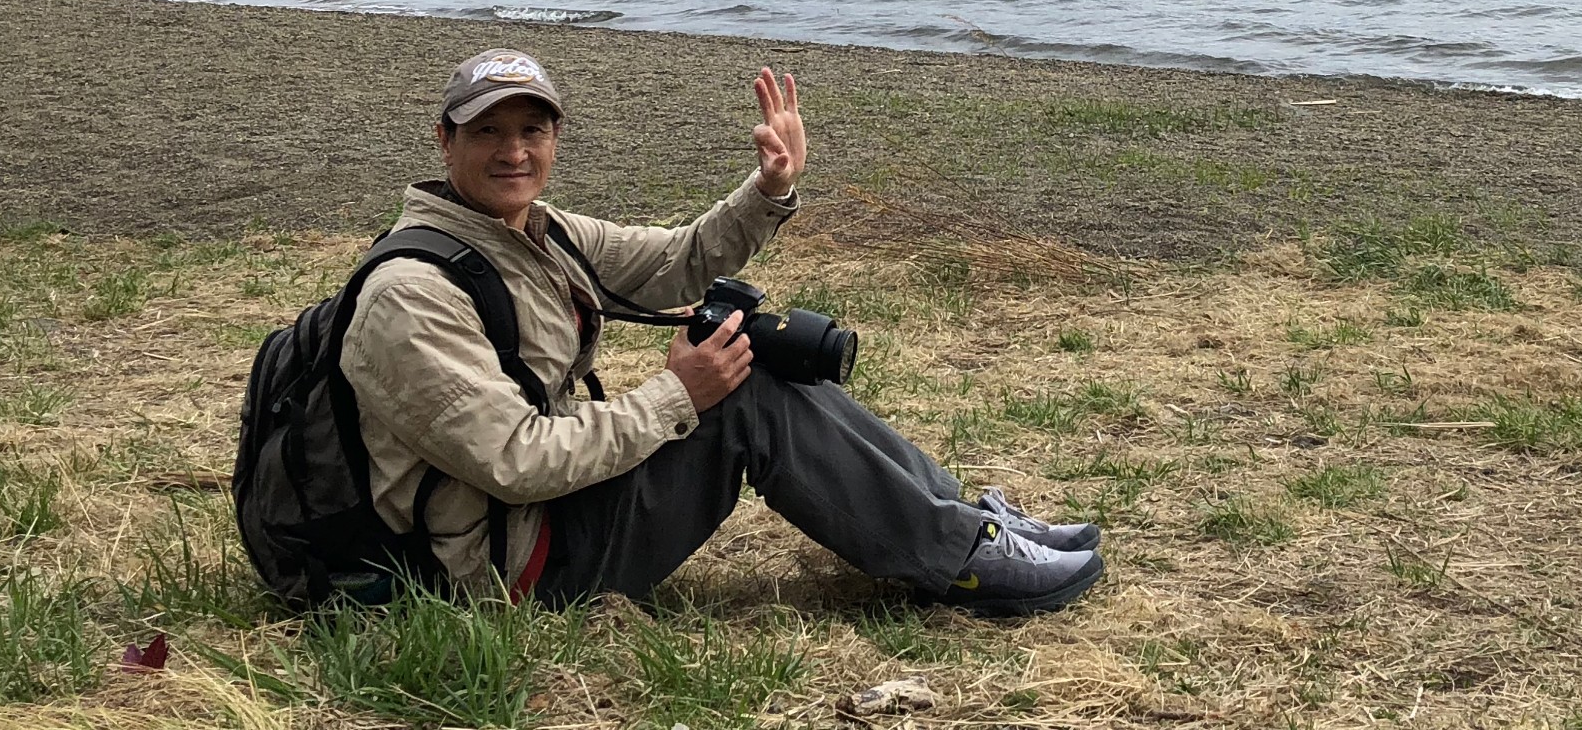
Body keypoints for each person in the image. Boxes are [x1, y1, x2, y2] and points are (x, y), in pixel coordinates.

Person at [337, 48, 1103, 615]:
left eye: (532, 129)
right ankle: (962, 561)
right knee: (738, 397)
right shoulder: (412, 294)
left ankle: (963, 526)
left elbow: (678, 261)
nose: (514, 152)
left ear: (555, 138)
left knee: (753, 362)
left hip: (542, 516)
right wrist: (676, 395)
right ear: (444, 142)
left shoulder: (537, 233)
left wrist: (769, 188)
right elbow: (513, 460)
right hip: (504, 570)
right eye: (488, 133)